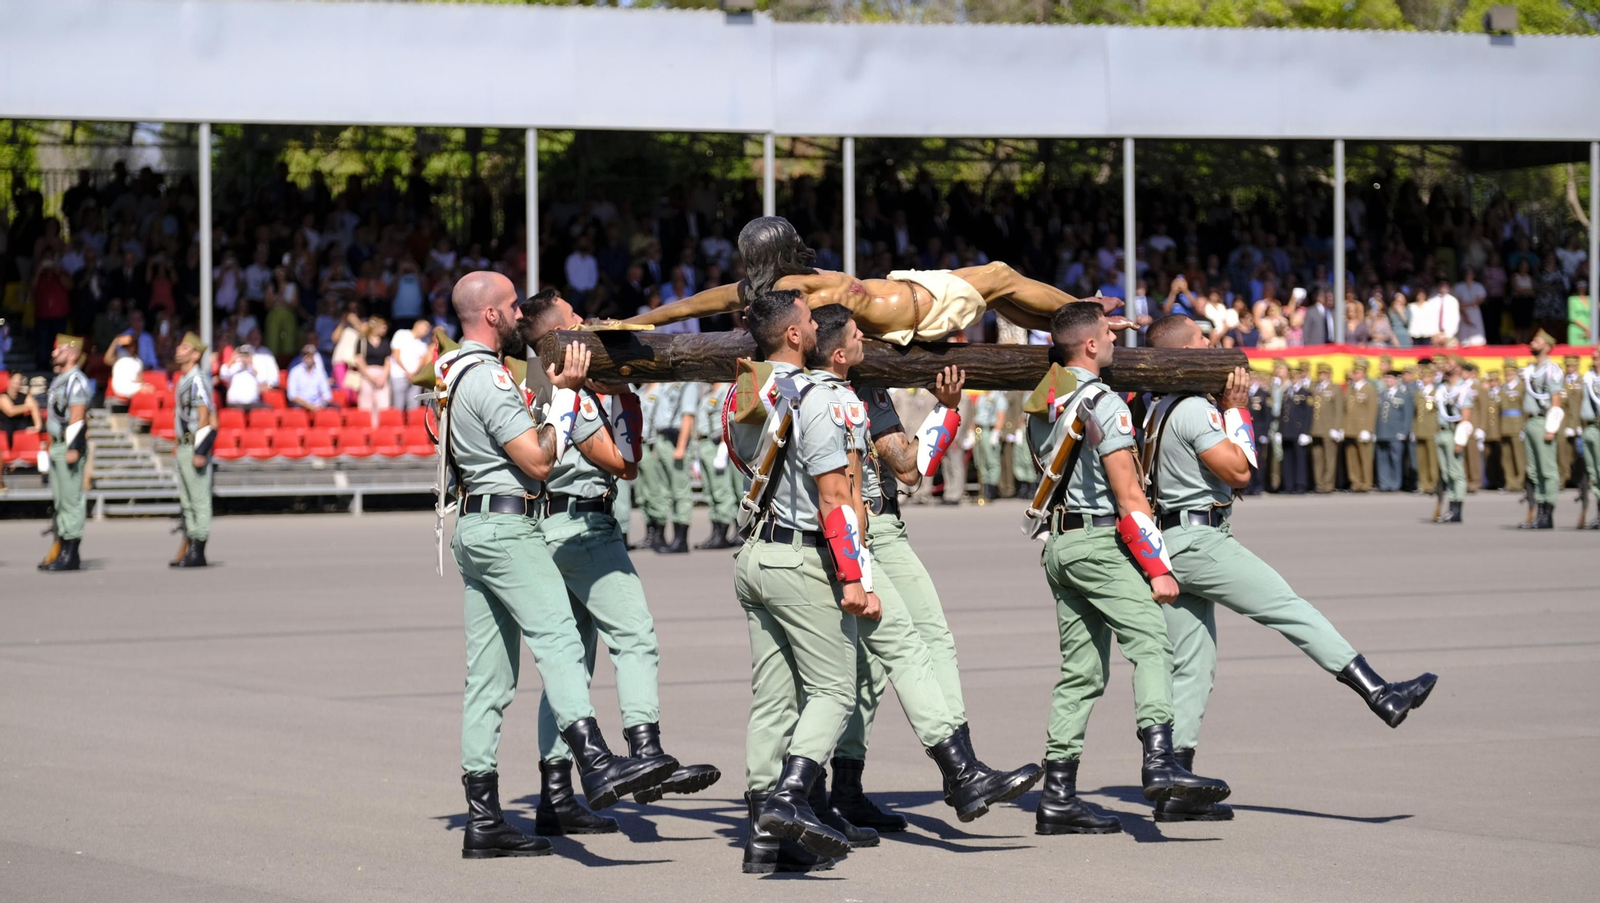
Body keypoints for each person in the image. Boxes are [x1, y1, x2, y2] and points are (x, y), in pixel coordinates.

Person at [1141, 314, 1438, 821]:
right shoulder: (1193, 408)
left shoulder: (1157, 408)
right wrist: (1236, 412)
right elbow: (1240, 472)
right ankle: (1377, 691)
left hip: (1170, 542)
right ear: (1183, 354)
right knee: (1288, 608)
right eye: (1202, 340)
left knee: (1193, 664)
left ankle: (1176, 783)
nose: (1214, 346)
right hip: (1200, 539)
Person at [443, 271, 675, 861]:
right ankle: (595, 761)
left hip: (473, 524)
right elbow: (540, 460)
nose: (519, 312)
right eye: (511, 304)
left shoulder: (453, 372)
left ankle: (483, 817)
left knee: (489, 681)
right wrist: (569, 394)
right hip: (506, 524)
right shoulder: (492, 378)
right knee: (562, 644)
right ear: (491, 316)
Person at [803, 305, 1040, 841]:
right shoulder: (841, 389)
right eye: (864, 332)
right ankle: (957, 771)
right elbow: (910, 467)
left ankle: (876, 783)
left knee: (914, 648)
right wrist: (947, 410)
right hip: (863, 528)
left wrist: (946, 409)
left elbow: (905, 468)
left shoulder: (859, 383)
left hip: (877, 525)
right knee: (898, 652)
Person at [516, 290, 720, 836]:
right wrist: (624, 390)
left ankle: (556, 795)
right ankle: (644, 747)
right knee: (635, 636)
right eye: (575, 320)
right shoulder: (572, 394)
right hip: (584, 529)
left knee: (571, 669)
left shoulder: (532, 385)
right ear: (556, 337)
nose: (586, 323)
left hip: (549, 529)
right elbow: (624, 463)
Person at [1024, 302, 1229, 835]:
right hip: (1097, 543)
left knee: (1082, 673)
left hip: (1057, 545)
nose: (1117, 344)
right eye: (1106, 338)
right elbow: (1130, 493)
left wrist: (1088, 327)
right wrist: (1158, 566)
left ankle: (1058, 796)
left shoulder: (1044, 396)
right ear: (1091, 344)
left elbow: (1065, 350)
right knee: (1152, 643)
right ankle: (1161, 760)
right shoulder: (1106, 404)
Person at [625, 216, 1094, 342]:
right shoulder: (788, 290)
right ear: (780, 251)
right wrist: (634, 323)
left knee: (998, 295)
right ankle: (1085, 312)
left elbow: (692, 304)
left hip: (913, 287)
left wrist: (636, 320)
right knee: (1000, 273)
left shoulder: (774, 283)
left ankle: (1072, 322)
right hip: (916, 310)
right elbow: (694, 305)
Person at [38, 335, 91, 572]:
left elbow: (78, 416)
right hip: (58, 444)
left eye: (58, 350)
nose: (53, 353)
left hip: (68, 445)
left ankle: (71, 553)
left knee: (71, 501)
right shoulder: (62, 379)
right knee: (61, 501)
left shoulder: (75, 381)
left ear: (72, 353)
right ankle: (62, 548)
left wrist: (73, 447)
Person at [170, 332, 214, 568]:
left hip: (194, 445)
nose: (179, 349)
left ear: (195, 355)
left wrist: (199, 450)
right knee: (187, 500)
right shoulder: (184, 379)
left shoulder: (197, 379)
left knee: (199, 500)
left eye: (185, 347)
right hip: (185, 444)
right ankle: (190, 547)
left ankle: (198, 549)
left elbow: (205, 417)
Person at [643, 379, 699, 554]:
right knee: (664, 490)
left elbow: (688, 416)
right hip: (660, 439)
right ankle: (668, 537)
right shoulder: (662, 384)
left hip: (675, 439)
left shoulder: (687, 384)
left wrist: (681, 447)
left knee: (680, 490)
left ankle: (681, 540)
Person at [1519, 331, 1565, 529]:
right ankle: (1540, 512)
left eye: (1536, 341)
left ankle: (1547, 513)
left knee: (1547, 470)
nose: (1532, 343)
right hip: (1530, 422)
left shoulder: (1551, 369)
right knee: (1535, 471)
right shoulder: (1531, 369)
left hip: (1543, 422)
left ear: (1546, 346)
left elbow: (1556, 399)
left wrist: (1551, 428)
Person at [693, 381, 738, 549]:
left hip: (717, 443)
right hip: (704, 443)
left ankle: (723, 533)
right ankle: (715, 532)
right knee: (711, 492)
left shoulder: (726, 390)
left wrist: (723, 448)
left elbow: (726, 419)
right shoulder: (708, 392)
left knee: (721, 490)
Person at [1432, 357, 1472, 523]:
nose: (1445, 366)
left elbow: (1465, 416)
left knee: (1456, 473)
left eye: (1449, 364)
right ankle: (1451, 508)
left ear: (1458, 368)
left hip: (1453, 432)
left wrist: (1460, 440)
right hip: (1441, 432)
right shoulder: (1442, 388)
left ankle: (1457, 510)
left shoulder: (1463, 389)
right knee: (1447, 474)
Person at [1341, 357, 1378, 492]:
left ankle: (1366, 483)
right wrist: (1342, 427)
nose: (1355, 374)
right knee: (1352, 458)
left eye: (1357, 372)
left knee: (1365, 458)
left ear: (1363, 373)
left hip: (1362, 428)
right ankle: (1355, 482)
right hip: (1350, 428)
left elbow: (1372, 410)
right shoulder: (1350, 389)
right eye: (1354, 372)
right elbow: (1345, 410)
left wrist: (1368, 429)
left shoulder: (1369, 389)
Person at [1375, 369, 1412, 492]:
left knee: (1396, 459)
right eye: (1386, 378)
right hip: (1381, 432)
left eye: (1390, 378)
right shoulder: (1381, 395)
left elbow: (1407, 415)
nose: (1388, 381)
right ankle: (1384, 483)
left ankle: (1395, 483)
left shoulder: (1403, 396)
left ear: (1396, 380)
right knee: (1382, 459)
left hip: (1396, 433)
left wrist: (1404, 431)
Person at [1309, 362, 1343, 494]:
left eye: (1324, 373)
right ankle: (1319, 483)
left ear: (1329, 375)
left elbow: (1339, 410)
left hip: (1329, 428)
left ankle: (1328, 484)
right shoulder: (1314, 388)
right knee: (1317, 458)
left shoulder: (1335, 389)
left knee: (1330, 458)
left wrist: (1337, 427)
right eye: (1320, 373)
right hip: (1315, 428)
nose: (1321, 376)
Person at [1281, 362, 1312, 494]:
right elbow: (1283, 412)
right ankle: (1289, 485)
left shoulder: (1306, 393)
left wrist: (1306, 432)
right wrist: (1279, 431)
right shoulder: (1287, 392)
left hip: (1299, 431)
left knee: (1300, 459)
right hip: (1287, 430)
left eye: (1296, 376)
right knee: (1287, 459)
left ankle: (1300, 484)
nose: (1293, 378)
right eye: (1291, 376)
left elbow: (1308, 414)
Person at [970, 390, 1007, 504]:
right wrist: (971, 432)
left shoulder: (998, 397)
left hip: (990, 429)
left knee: (992, 460)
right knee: (980, 460)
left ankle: (991, 489)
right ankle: (984, 488)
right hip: (980, 429)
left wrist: (996, 432)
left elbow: (1001, 415)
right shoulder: (982, 396)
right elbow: (975, 414)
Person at [1500, 357, 1528, 494]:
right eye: (1506, 374)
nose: (1508, 376)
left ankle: (1520, 481)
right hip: (1504, 425)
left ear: (1516, 373)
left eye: (1510, 374)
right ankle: (1510, 481)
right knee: (1507, 457)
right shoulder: (1503, 387)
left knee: (1519, 456)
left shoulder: (1521, 387)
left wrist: (1525, 426)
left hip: (1517, 425)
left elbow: (1525, 408)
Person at [1412, 362, 1440, 497]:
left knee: (1432, 459)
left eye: (1428, 377)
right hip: (1420, 428)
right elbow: (1415, 412)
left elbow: (1439, 412)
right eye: (1423, 377)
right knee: (1421, 459)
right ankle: (1423, 484)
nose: (1425, 379)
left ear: (1433, 378)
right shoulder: (1418, 393)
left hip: (1431, 429)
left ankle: (1434, 484)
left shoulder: (1437, 392)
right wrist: (1413, 429)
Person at [1580, 348, 1600, 530]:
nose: (1594, 355)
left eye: (1598, 353)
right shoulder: (1588, 377)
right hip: (1589, 427)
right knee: (1594, 474)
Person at [286, 346, 334, 411]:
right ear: (302, 357)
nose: (308, 357)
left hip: (318, 406)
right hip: (300, 407)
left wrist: (320, 406)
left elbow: (327, 395)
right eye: (306, 355)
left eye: (310, 355)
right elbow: (292, 395)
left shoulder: (320, 372)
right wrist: (309, 406)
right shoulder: (295, 372)